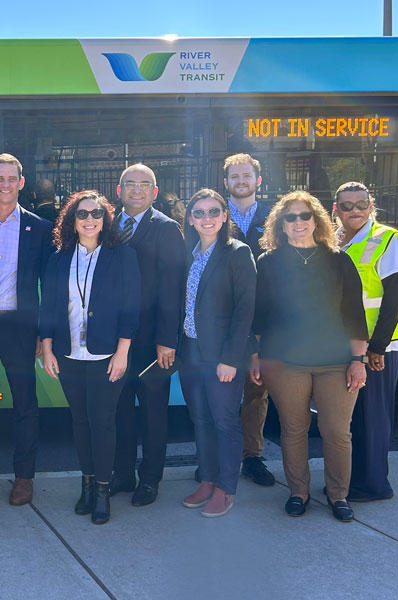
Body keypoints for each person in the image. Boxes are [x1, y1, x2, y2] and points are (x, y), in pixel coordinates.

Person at [253, 191, 368, 521]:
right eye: (291, 217)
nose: (299, 222)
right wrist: (257, 357)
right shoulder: (268, 263)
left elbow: (354, 314)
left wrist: (357, 361)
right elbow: (260, 316)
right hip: (285, 363)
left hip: (335, 362)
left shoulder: (338, 260)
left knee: (336, 431)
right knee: (293, 429)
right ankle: (298, 492)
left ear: (317, 221)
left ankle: (338, 496)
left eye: (305, 216)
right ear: (281, 225)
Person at [40, 191, 139, 525]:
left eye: (96, 213)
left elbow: (131, 306)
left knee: (103, 421)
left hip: (107, 354)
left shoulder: (121, 256)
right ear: (73, 220)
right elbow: (50, 307)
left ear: (105, 218)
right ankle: (85, 484)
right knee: (79, 422)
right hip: (69, 353)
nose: (89, 219)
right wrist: (48, 347)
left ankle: (102, 490)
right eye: (82, 214)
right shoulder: (59, 258)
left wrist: (123, 352)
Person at [0, 153, 52, 506]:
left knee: (25, 403)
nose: (5, 184)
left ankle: (24, 477)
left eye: (11, 178)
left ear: (21, 183)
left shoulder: (40, 228)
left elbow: (48, 287)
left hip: (20, 327)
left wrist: (43, 332)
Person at [177, 189, 257, 518]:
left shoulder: (237, 253)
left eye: (213, 212)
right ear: (190, 219)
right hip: (190, 351)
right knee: (200, 419)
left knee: (224, 421)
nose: (206, 218)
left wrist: (231, 359)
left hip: (221, 355)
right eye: (198, 213)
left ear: (225, 216)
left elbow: (245, 310)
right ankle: (207, 479)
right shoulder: (189, 253)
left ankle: (226, 488)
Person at [111, 163, 186, 506]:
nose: (136, 190)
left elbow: (174, 287)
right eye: (130, 184)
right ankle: (123, 474)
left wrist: (168, 339)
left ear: (155, 193)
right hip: (113, 342)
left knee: (153, 414)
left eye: (144, 185)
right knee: (120, 412)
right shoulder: (107, 224)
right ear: (119, 190)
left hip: (154, 344)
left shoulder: (167, 229)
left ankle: (150, 479)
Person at [334, 182, 398, 502]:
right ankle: (349, 481)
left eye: (360, 204)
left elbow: (395, 299)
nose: (354, 210)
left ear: (371, 205)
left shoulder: (387, 238)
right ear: (336, 208)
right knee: (348, 420)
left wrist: (376, 348)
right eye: (346, 205)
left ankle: (373, 485)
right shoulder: (335, 240)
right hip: (343, 344)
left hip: (375, 349)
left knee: (372, 418)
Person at [223, 153, 276, 487]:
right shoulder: (211, 213)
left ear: (258, 181)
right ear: (226, 182)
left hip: (263, 319)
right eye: (234, 176)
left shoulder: (276, 216)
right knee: (222, 391)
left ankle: (252, 457)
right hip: (223, 321)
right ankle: (219, 457)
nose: (240, 181)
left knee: (257, 390)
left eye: (246, 176)